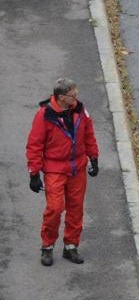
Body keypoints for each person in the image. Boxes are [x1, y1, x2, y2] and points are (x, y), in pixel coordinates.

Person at [27, 78, 99, 266]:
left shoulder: (80, 111)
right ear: (61, 97)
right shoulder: (44, 116)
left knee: (76, 208)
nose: (77, 97)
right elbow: (34, 145)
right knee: (55, 208)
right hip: (55, 170)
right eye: (73, 95)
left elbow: (89, 134)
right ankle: (47, 247)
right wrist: (34, 174)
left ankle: (71, 247)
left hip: (77, 168)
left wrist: (94, 157)